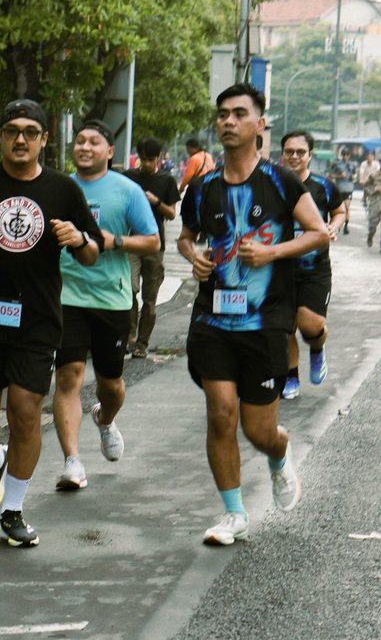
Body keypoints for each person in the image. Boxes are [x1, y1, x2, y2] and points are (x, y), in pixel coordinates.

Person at [0, 98, 103, 548]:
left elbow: (92, 253)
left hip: (37, 321)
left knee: (26, 411)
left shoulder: (63, 189)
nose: (21, 139)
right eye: (12, 131)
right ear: (0, 137)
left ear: (44, 139)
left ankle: (13, 510)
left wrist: (79, 237)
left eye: (31, 131)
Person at [177, 83, 330, 546]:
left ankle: (279, 455)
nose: (229, 121)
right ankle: (234, 514)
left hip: (265, 322)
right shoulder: (203, 186)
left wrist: (272, 252)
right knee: (221, 414)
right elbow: (186, 237)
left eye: (239, 113)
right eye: (223, 114)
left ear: (260, 124)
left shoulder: (281, 181)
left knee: (259, 431)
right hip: (212, 319)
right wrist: (194, 256)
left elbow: (318, 232)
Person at [52, 120, 159, 491]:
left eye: (94, 142)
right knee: (68, 376)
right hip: (65, 297)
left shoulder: (128, 191)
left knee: (110, 384)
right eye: (80, 140)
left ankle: (105, 418)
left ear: (110, 152)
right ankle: (72, 462)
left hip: (112, 299)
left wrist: (116, 241)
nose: (85, 147)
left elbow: (153, 242)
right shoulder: (58, 188)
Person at [279, 130, 345, 399]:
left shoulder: (323, 186)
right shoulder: (272, 184)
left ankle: (317, 349)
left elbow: (339, 211)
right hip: (279, 268)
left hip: (314, 270)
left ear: (310, 155)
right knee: (284, 328)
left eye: (300, 152)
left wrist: (333, 226)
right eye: (289, 152)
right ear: (282, 155)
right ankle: (290, 376)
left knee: (310, 326)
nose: (294, 156)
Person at [124, 135, 181, 358]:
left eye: (151, 159)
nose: (146, 163)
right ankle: (129, 337)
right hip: (131, 242)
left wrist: (155, 201)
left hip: (155, 245)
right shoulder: (128, 177)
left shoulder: (167, 180)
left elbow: (172, 213)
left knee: (149, 298)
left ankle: (142, 342)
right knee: (129, 291)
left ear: (159, 158)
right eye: (143, 159)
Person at [359, 151, 381, 248]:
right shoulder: (374, 175)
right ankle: (370, 236)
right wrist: (374, 190)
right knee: (372, 225)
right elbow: (366, 186)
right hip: (375, 202)